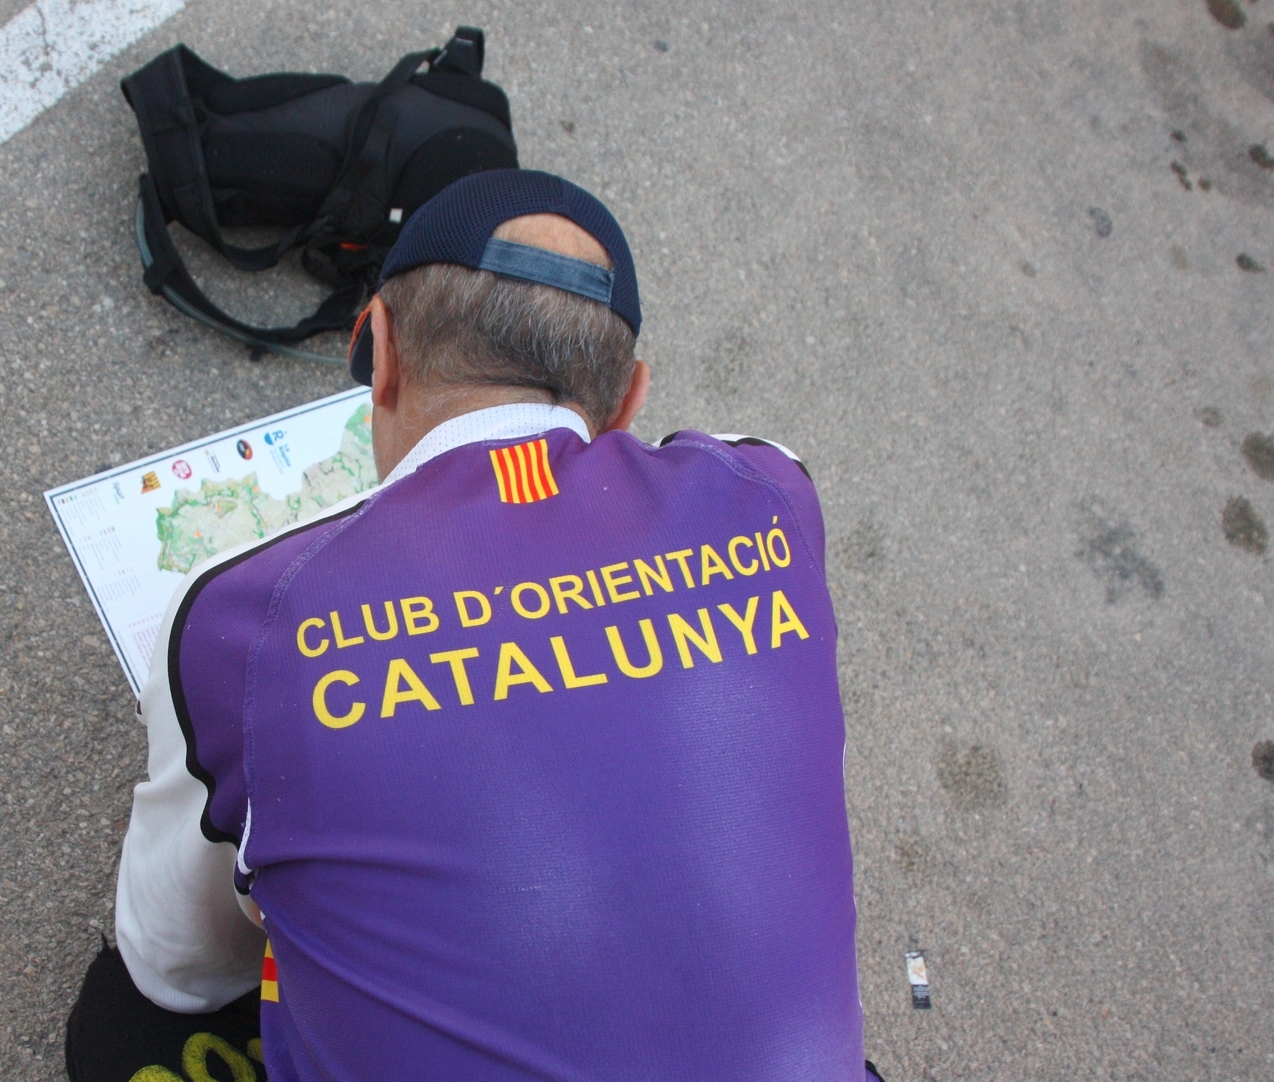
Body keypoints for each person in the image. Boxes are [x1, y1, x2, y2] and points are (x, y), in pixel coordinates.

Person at [67, 169, 876, 1080]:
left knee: (121, 1026)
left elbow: (172, 965)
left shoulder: (245, 615)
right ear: (628, 402)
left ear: (379, 350)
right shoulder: (772, 493)